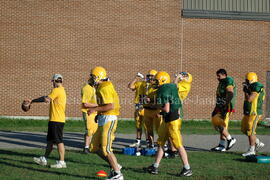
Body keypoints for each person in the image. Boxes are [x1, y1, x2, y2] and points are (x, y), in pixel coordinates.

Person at [145, 71, 192, 177]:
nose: (154, 82)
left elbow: (166, 109)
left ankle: (187, 168)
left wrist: (154, 106)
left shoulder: (163, 90)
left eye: (156, 80)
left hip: (172, 120)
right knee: (161, 142)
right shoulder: (170, 86)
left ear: (162, 80)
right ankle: (155, 166)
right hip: (169, 118)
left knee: (178, 145)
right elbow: (175, 86)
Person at [87, 66, 123, 180]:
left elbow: (110, 105)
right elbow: (104, 104)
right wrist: (99, 114)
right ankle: (115, 165)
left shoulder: (105, 87)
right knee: (93, 147)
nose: (91, 79)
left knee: (106, 149)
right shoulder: (101, 86)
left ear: (99, 77)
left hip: (109, 119)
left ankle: (118, 174)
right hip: (104, 118)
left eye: (93, 76)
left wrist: (95, 110)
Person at [27, 74, 67, 168]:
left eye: (52, 81)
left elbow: (46, 99)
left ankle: (62, 162)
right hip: (55, 119)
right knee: (50, 141)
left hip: (56, 120)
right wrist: (32, 101)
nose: (52, 83)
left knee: (59, 141)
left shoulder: (56, 90)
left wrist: (32, 101)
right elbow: (47, 97)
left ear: (55, 81)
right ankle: (44, 159)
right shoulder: (61, 90)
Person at [211, 69, 237, 152]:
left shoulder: (228, 80)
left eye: (219, 76)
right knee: (218, 123)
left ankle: (230, 139)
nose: (217, 78)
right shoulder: (221, 82)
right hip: (219, 106)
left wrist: (225, 105)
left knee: (220, 123)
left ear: (224, 75)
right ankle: (222, 145)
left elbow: (230, 93)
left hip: (226, 107)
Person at [241, 72, 265, 157]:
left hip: (254, 112)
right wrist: (246, 91)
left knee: (250, 131)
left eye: (247, 80)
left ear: (251, 80)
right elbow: (247, 98)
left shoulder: (257, 85)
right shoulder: (251, 86)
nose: (246, 82)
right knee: (244, 129)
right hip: (248, 112)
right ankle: (257, 142)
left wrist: (247, 90)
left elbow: (250, 99)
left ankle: (252, 150)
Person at [141, 69, 162, 148]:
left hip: (156, 110)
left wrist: (151, 101)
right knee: (148, 129)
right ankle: (150, 144)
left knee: (159, 129)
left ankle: (162, 144)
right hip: (147, 110)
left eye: (152, 76)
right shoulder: (145, 85)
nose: (150, 78)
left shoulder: (158, 87)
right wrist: (143, 100)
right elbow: (141, 96)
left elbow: (161, 99)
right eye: (149, 76)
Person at [128, 72, 146, 148]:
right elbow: (130, 86)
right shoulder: (139, 83)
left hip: (146, 107)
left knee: (147, 127)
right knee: (138, 125)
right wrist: (136, 77)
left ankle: (149, 143)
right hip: (138, 106)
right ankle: (138, 141)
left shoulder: (151, 85)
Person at [81, 76, 98, 154]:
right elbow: (85, 103)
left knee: (95, 130)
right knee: (89, 131)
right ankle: (86, 148)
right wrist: (98, 105)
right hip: (88, 112)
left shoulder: (94, 88)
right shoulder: (87, 88)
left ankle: (92, 146)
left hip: (95, 112)